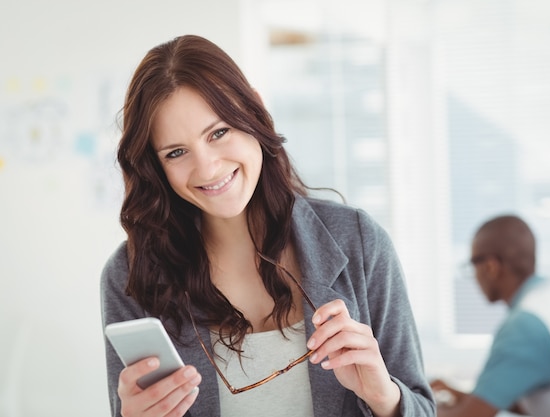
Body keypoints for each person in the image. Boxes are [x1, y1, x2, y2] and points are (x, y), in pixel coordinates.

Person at [100, 34, 435, 417]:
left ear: (255, 109)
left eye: (219, 132)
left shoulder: (359, 242)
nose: (207, 167)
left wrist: (383, 397)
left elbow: (422, 408)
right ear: (155, 166)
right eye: (176, 152)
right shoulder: (130, 276)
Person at [430, 215, 550, 417]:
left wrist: (412, 408)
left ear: (490, 267)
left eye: (473, 265)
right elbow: (539, 400)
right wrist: (461, 395)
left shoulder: (524, 327)